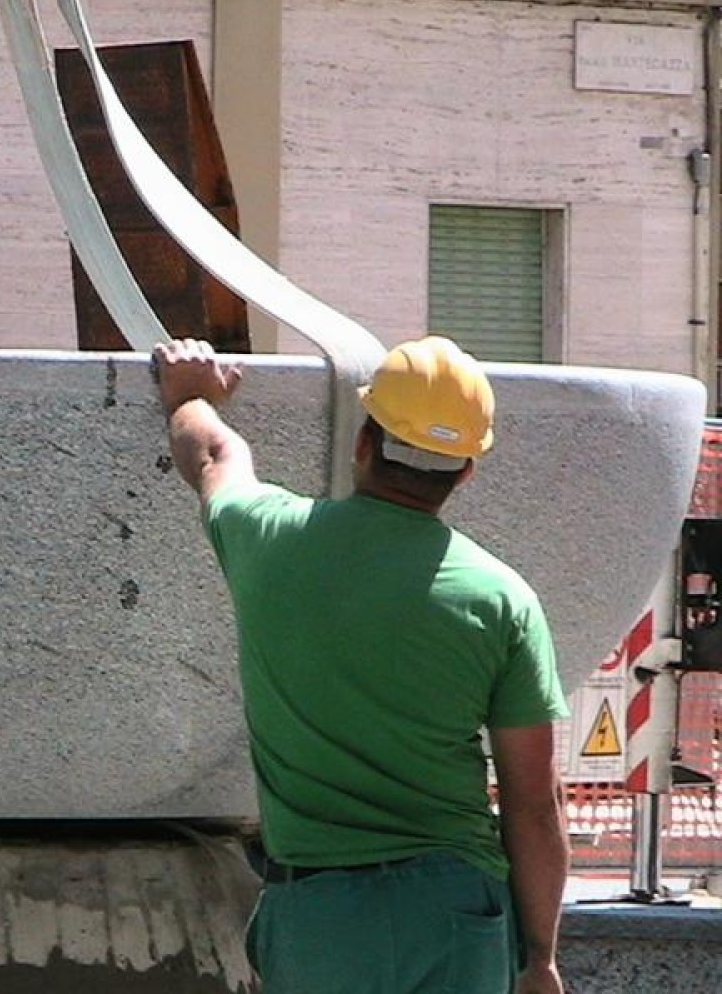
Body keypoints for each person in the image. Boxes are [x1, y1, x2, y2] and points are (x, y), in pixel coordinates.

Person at [153, 335, 571, 994]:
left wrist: (189, 395)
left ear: (363, 444)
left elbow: (212, 453)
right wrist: (539, 955)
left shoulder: (272, 541)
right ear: (465, 471)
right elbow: (534, 803)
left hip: (322, 916)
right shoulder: (502, 600)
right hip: (457, 910)